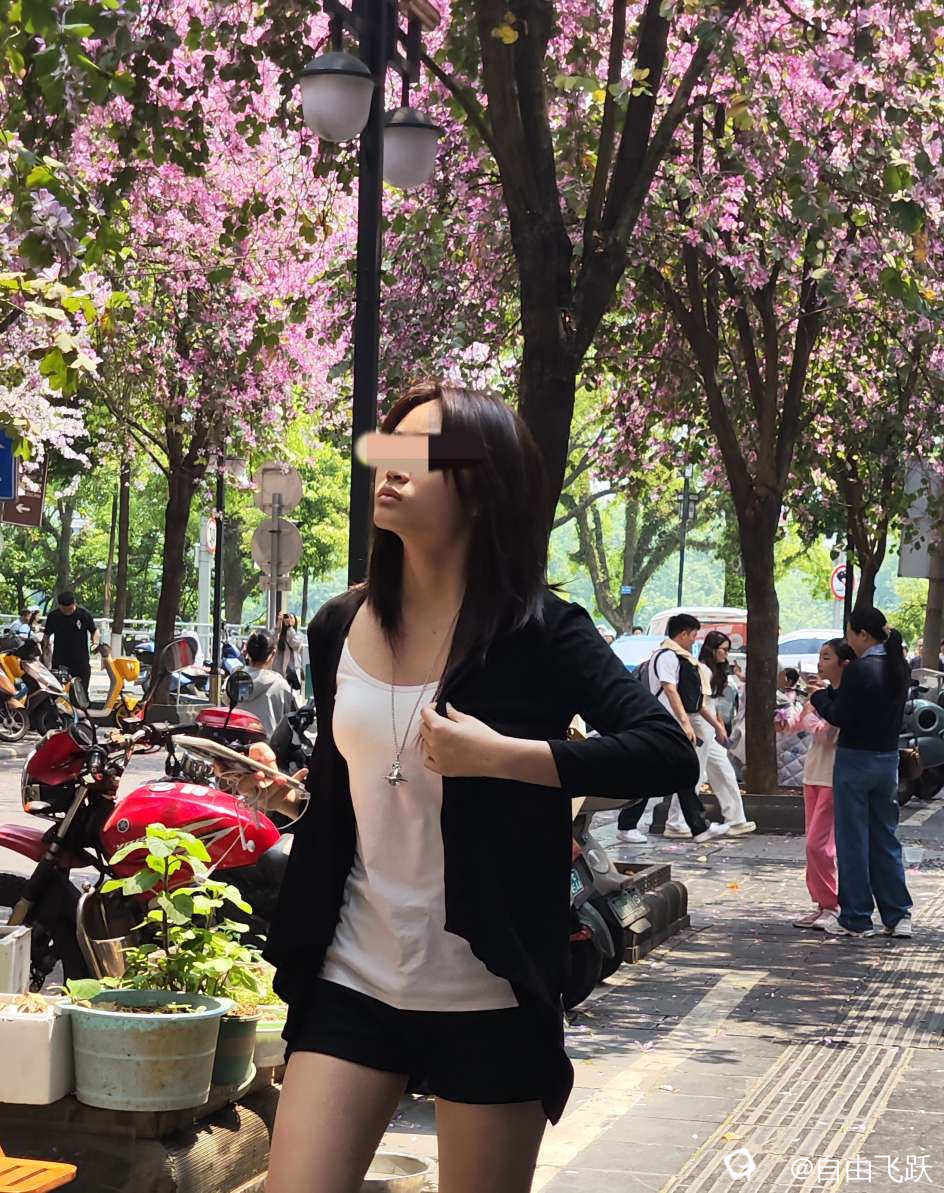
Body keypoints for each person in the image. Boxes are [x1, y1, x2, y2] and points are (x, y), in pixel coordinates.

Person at [255, 380, 698, 1193]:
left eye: (422, 453)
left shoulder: (542, 630)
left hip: (488, 992)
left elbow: (668, 752)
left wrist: (503, 756)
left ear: (484, 486)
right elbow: (366, 786)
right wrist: (295, 798)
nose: (390, 466)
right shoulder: (336, 626)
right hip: (352, 976)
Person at [810, 607, 913, 939]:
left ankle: (856, 917)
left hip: (855, 760)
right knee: (885, 837)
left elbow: (841, 715)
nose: (848, 641)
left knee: (852, 840)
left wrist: (819, 699)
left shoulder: (859, 669)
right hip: (887, 761)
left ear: (863, 635)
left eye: (850, 634)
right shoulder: (898, 666)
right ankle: (898, 915)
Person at [616, 614, 727, 846]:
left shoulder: (670, 656)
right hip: (662, 724)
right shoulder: (667, 656)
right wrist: (685, 723)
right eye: (693, 635)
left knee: (672, 773)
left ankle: (696, 827)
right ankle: (693, 826)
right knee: (673, 772)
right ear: (683, 633)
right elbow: (670, 689)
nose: (694, 641)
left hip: (664, 724)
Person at [789, 638, 855, 931]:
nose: (820, 663)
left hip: (831, 776)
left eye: (827, 657)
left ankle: (832, 904)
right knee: (812, 845)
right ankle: (821, 903)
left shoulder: (843, 699)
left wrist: (812, 710)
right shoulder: (823, 696)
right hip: (813, 774)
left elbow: (826, 732)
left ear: (843, 663)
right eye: (820, 656)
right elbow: (800, 725)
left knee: (819, 846)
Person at [238, 629, 297, 737]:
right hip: (269, 744)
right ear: (273, 653)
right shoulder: (281, 685)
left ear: (247, 652)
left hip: (235, 742)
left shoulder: (234, 679)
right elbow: (293, 713)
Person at [43, 590, 98, 692]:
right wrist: (44, 648)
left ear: (74, 604)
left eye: (70, 609)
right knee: (60, 691)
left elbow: (94, 631)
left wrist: (94, 643)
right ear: (59, 606)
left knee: (82, 691)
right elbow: (46, 635)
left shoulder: (83, 615)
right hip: (60, 660)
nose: (67, 612)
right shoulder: (53, 616)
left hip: (80, 660)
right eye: (64, 609)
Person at [273, 612, 305, 691]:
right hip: (279, 669)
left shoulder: (298, 635)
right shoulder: (280, 634)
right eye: (287, 618)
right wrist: (279, 623)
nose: (289, 620)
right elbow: (273, 640)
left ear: (295, 621)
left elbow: (295, 644)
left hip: (293, 670)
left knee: (292, 694)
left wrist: (290, 628)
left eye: (291, 618)